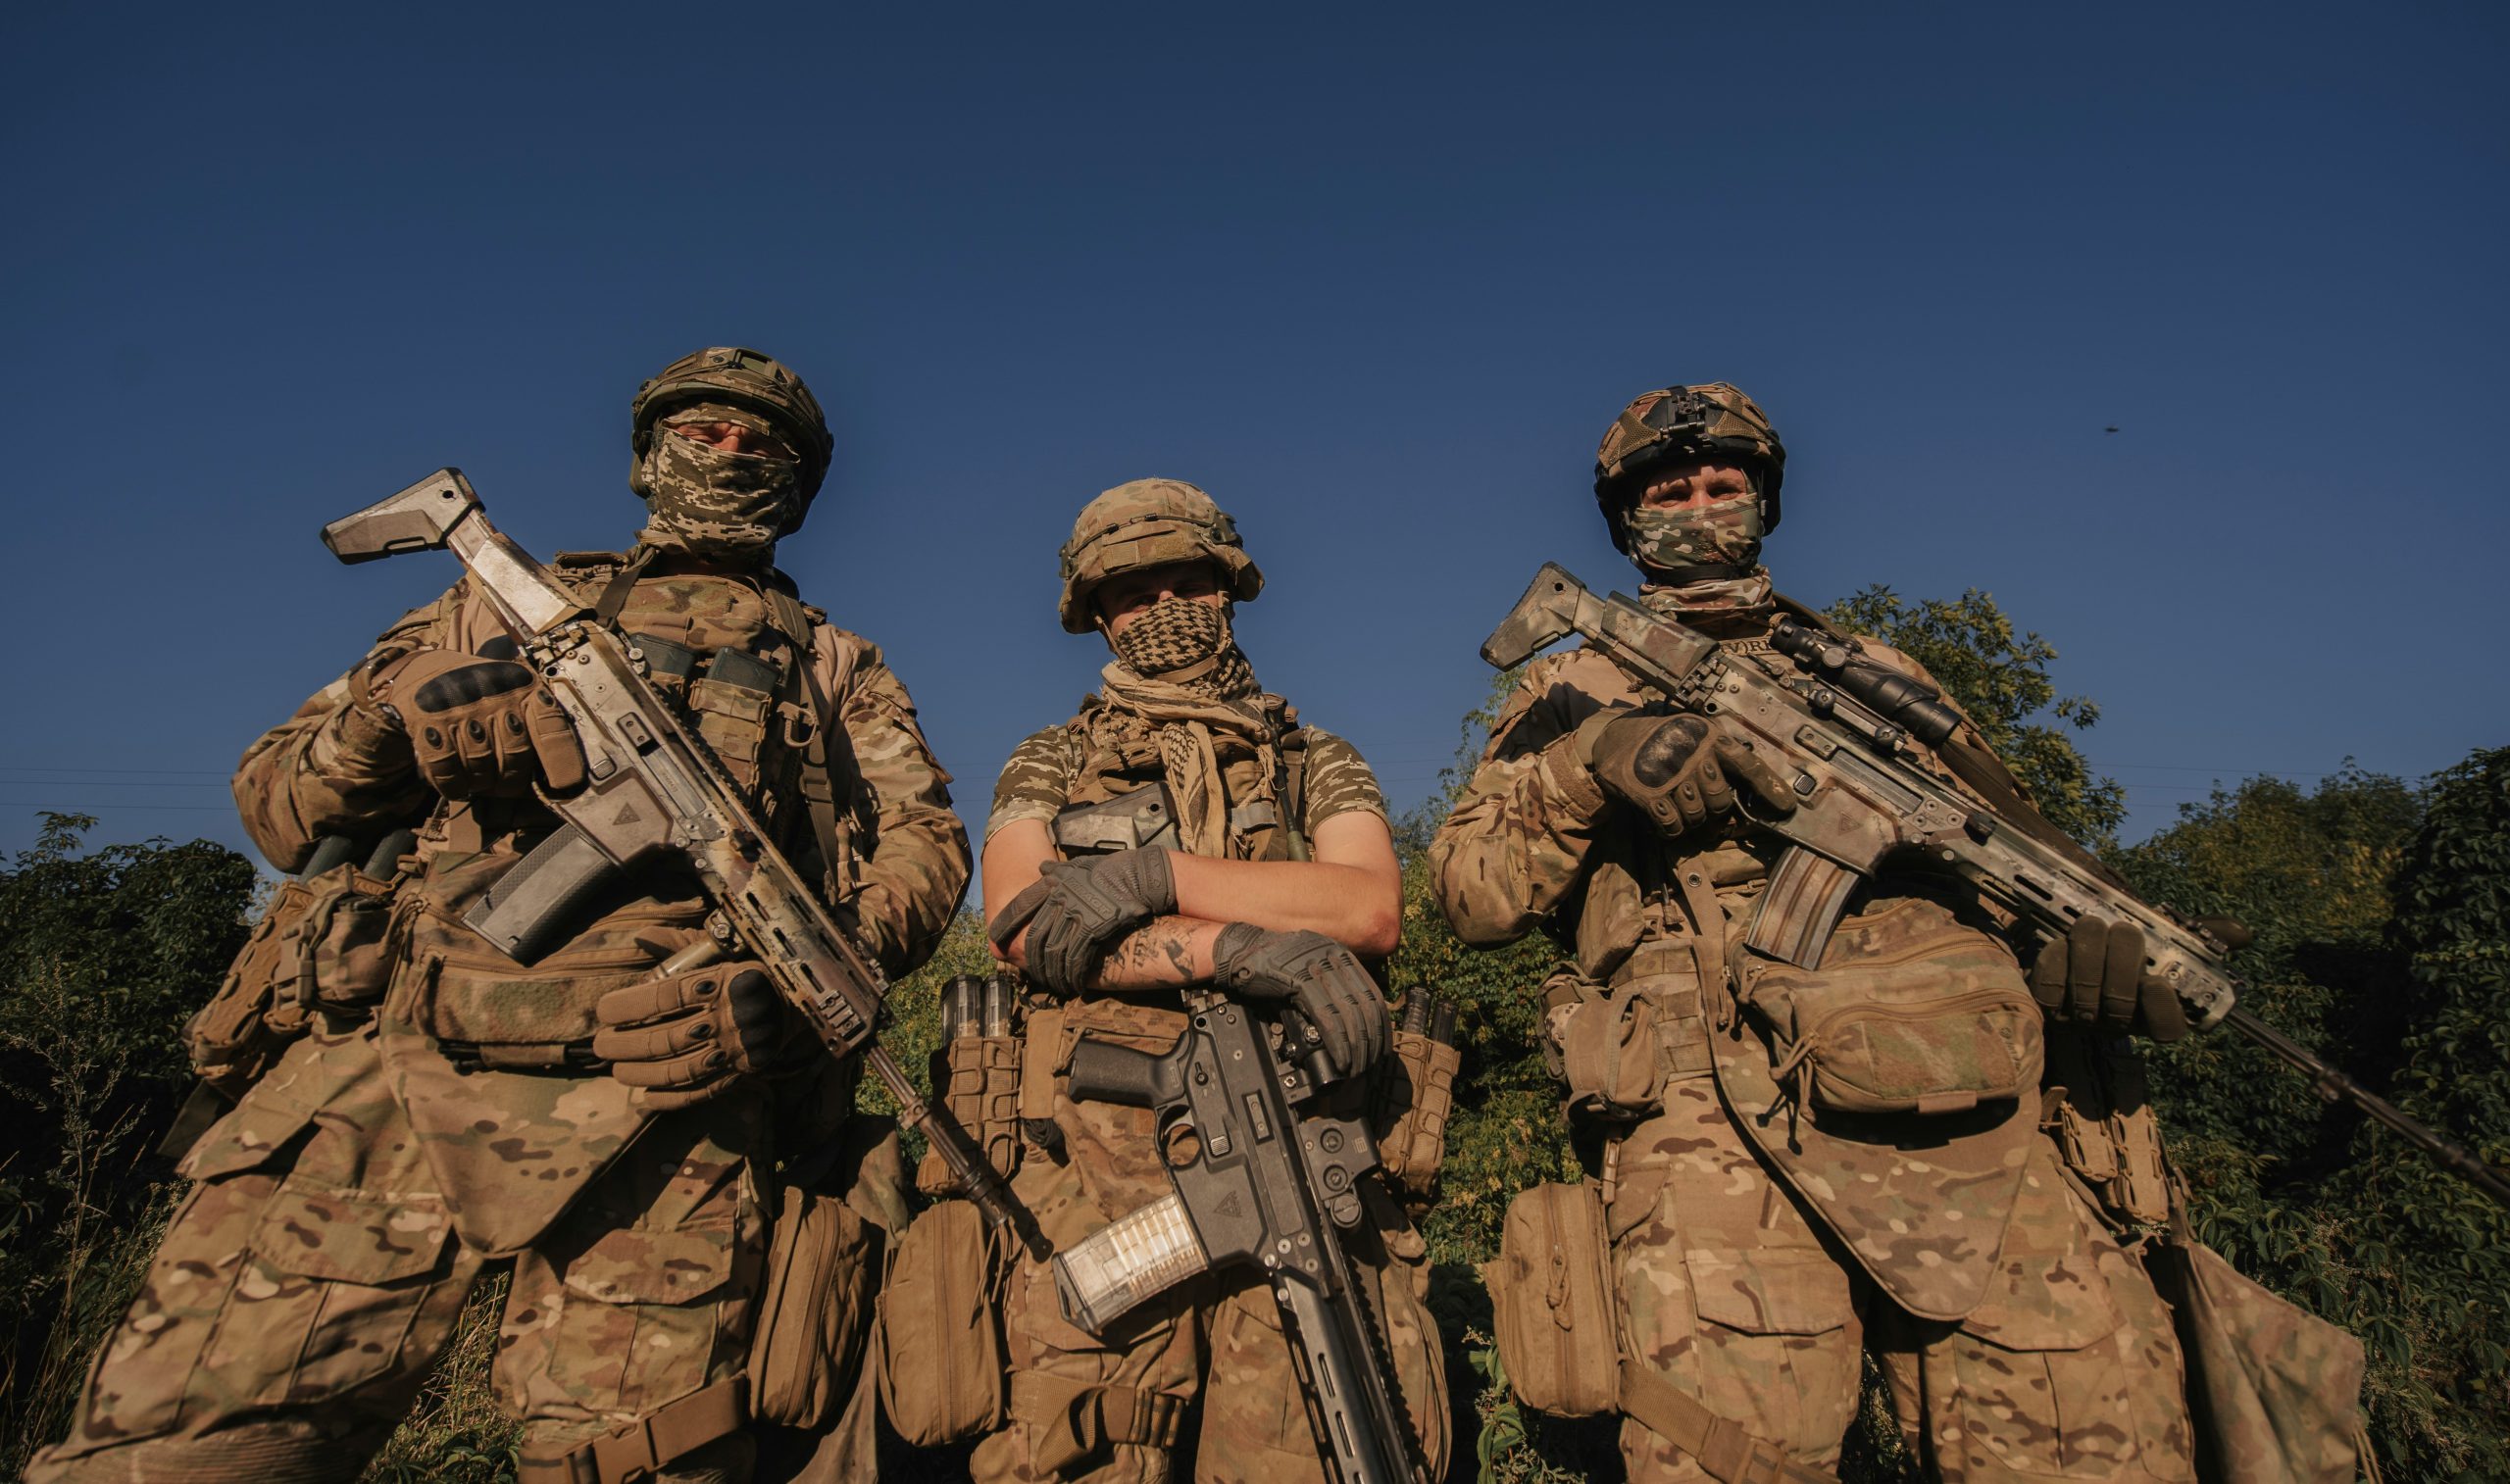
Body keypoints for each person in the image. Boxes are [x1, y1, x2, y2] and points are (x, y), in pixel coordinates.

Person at [30, 347, 972, 1484]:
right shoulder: (492, 600)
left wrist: (812, 985)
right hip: (388, 1079)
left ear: (798, 485)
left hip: (676, 1104)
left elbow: (923, 847)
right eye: (701, 432)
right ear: (645, 457)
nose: (727, 455)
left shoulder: (835, 665)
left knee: (643, 1460)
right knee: (188, 1453)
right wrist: (397, 718)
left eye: (760, 443)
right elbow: (278, 804)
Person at [1431, 384, 2200, 1481]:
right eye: (1668, 488)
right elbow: (1470, 894)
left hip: (1961, 1089)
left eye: (1721, 482)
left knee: (2083, 1429)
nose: (1699, 505)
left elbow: (2004, 852)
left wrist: (2090, 957)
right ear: (1626, 520)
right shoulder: (1571, 684)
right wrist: (1591, 760)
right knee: (1735, 1448)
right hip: (1709, 1115)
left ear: (1763, 498)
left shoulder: (1881, 677)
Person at [970, 478, 1449, 1483]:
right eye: (1136, 593)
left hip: (1291, 1130)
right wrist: (1237, 946)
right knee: (1092, 1438)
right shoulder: (1052, 757)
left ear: (1230, 590)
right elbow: (1021, 924)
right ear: (1096, 611)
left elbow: (1366, 906)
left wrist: (1162, 878)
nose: (1165, 609)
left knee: (1303, 1440)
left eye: (1190, 582)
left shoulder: (1313, 755)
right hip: (1094, 1166)